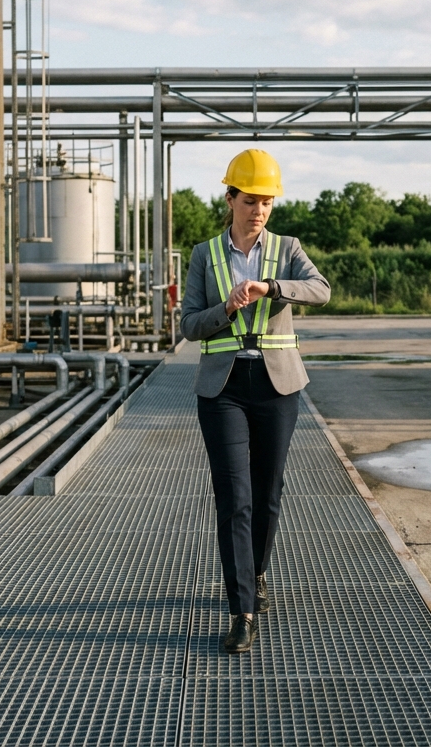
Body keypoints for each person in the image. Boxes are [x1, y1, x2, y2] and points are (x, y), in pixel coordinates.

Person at [180, 148, 330, 653]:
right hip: (222, 390)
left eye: (266, 201)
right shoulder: (205, 255)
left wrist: (271, 287)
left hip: (277, 387)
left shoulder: (287, 248)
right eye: (250, 200)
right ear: (230, 198)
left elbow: (321, 290)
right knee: (234, 499)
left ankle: (257, 573)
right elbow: (188, 325)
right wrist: (224, 308)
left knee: (267, 494)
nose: (259, 210)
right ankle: (241, 609)